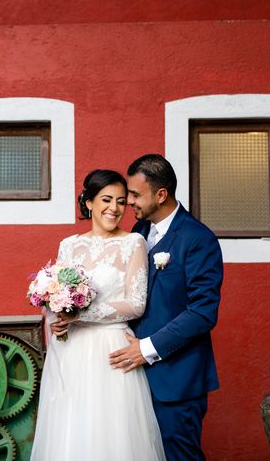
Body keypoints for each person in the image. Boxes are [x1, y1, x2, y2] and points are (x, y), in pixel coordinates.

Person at [30, 169, 165, 461]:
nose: (114, 208)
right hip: (72, 352)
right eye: (106, 199)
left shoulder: (133, 244)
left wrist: (79, 315)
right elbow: (57, 297)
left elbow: (136, 303)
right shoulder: (69, 245)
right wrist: (59, 322)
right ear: (89, 202)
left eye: (120, 201)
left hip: (111, 351)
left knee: (112, 432)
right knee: (72, 428)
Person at [109, 154, 223, 460]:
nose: (127, 201)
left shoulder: (198, 239)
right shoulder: (138, 235)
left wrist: (146, 348)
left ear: (161, 194)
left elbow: (202, 312)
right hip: (131, 377)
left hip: (176, 378)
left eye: (135, 195)